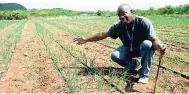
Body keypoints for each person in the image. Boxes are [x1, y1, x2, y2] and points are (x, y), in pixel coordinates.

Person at [73, 3, 166, 84]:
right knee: (115, 55)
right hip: (129, 48)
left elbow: (154, 39)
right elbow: (103, 34)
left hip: (143, 49)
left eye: (124, 13)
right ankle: (134, 64)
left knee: (147, 44)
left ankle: (144, 75)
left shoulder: (143, 22)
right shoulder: (118, 26)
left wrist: (160, 46)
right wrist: (86, 39)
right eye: (119, 15)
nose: (121, 17)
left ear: (131, 11)